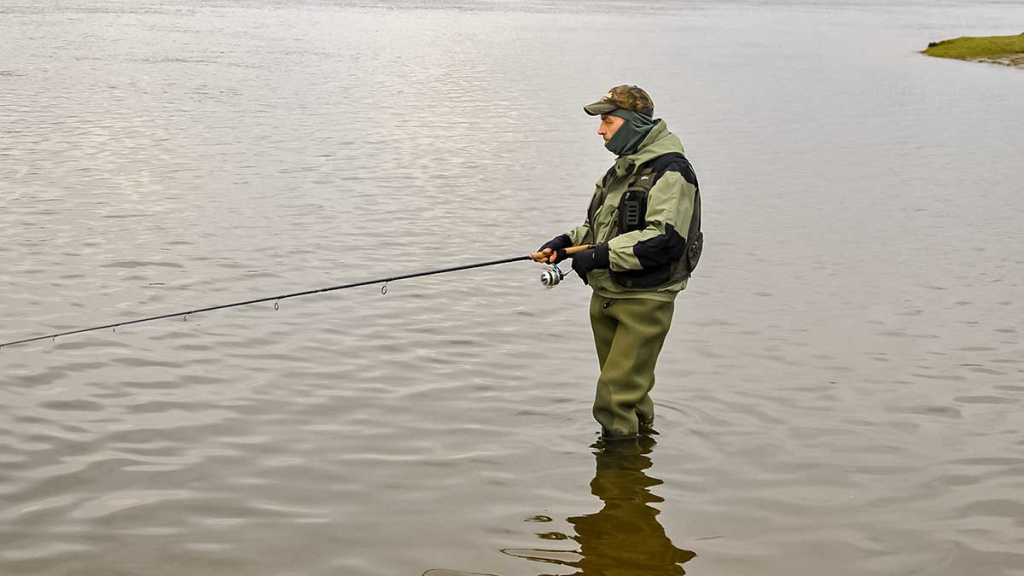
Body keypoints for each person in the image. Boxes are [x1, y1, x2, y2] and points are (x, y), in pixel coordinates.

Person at [538, 85, 702, 441]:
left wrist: (597, 255)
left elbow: (665, 239)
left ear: (631, 124)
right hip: (609, 293)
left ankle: (617, 472)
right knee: (631, 395)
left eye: (607, 121)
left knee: (613, 400)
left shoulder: (671, 171)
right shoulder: (622, 169)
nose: (600, 130)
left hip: (644, 300)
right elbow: (602, 227)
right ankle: (632, 481)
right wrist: (567, 243)